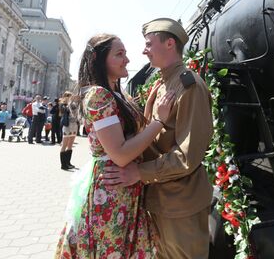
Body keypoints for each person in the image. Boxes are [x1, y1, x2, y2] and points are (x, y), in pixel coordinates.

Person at [55, 33, 175, 258]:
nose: (127, 59)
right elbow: (119, 154)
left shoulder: (117, 93)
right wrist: (160, 121)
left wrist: (149, 107)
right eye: (119, 54)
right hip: (112, 191)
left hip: (123, 187)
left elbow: (133, 133)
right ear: (99, 61)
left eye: (126, 54)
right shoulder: (99, 96)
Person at [103, 18, 214, 259]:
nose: (143, 50)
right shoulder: (161, 84)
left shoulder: (189, 86)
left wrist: (139, 173)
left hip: (181, 204)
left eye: (149, 44)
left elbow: (188, 155)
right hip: (161, 199)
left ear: (170, 44)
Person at [58, 92, 79, 170]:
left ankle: (68, 163)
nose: (71, 97)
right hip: (67, 125)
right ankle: (63, 165)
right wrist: (69, 103)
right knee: (64, 144)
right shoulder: (63, 105)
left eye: (71, 96)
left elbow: (77, 111)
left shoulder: (74, 104)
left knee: (70, 144)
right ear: (65, 97)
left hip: (74, 125)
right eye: (69, 96)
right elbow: (64, 111)